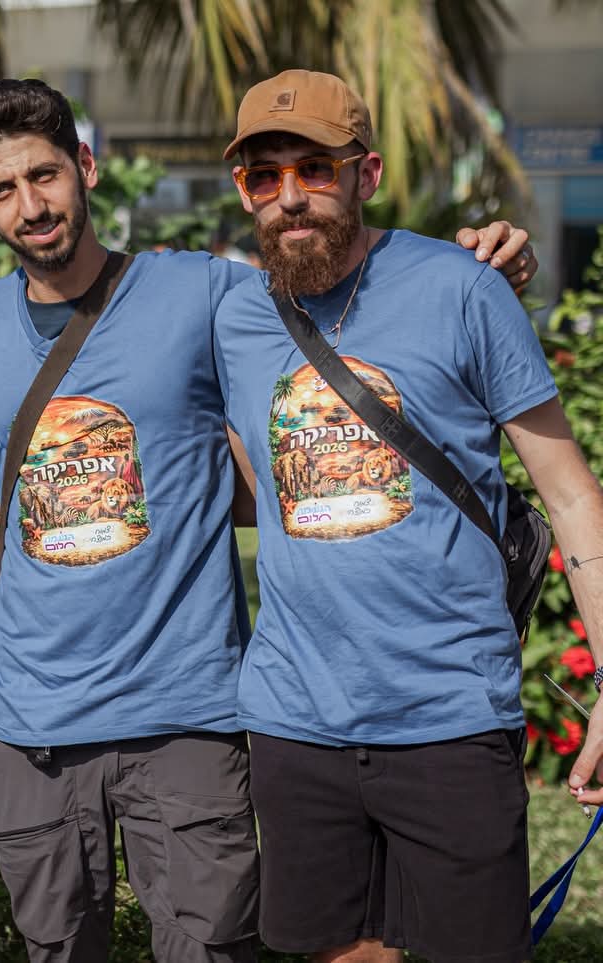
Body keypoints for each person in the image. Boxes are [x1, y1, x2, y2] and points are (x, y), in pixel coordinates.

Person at [0, 77, 534, 963]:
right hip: (35, 722)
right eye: (3, 189)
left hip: (187, 709)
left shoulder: (205, 292)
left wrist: (487, 261)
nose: (32, 205)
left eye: (46, 175)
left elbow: (336, 273)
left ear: (86, 168)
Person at [213, 68, 603, 963]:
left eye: (315, 168)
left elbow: (571, 493)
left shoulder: (464, 288)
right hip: (295, 719)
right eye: (264, 176)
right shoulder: (233, 316)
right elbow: (258, 485)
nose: (289, 197)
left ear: (368, 173)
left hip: (450, 713)